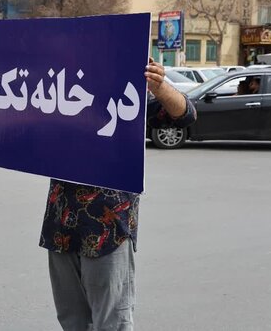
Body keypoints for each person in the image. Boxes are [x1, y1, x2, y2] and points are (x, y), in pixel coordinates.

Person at [41, 59, 197, 331]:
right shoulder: (61, 94)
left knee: (112, 321)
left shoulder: (127, 98)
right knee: (71, 319)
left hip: (108, 229)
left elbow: (185, 114)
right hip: (60, 225)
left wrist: (158, 86)